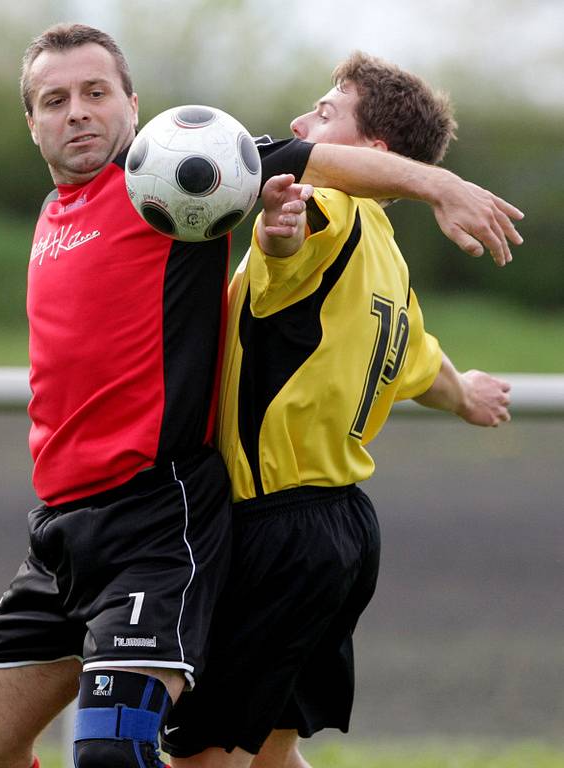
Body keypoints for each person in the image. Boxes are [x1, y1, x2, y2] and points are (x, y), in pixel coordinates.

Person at [0, 25, 522, 768]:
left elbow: (298, 177)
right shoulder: (55, 210)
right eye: (54, 100)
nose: (78, 112)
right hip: (62, 527)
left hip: (156, 519)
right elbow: (414, 350)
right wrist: (461, 390)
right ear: (31, 123)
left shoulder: (170, 179)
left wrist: (437, 183)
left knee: (124, 753)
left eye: (96, 93)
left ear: (134, 101)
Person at [162, 52, 513, 768]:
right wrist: (465, 393)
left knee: (201, 756)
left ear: (373, 154)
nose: (300, 124)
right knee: (269, 755)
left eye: (325, 115)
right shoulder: (387, 259)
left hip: (274, 532)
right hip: (341, 533)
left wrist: (275, 236)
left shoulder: (333, 207)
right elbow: (422, 362)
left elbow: (293, 230)